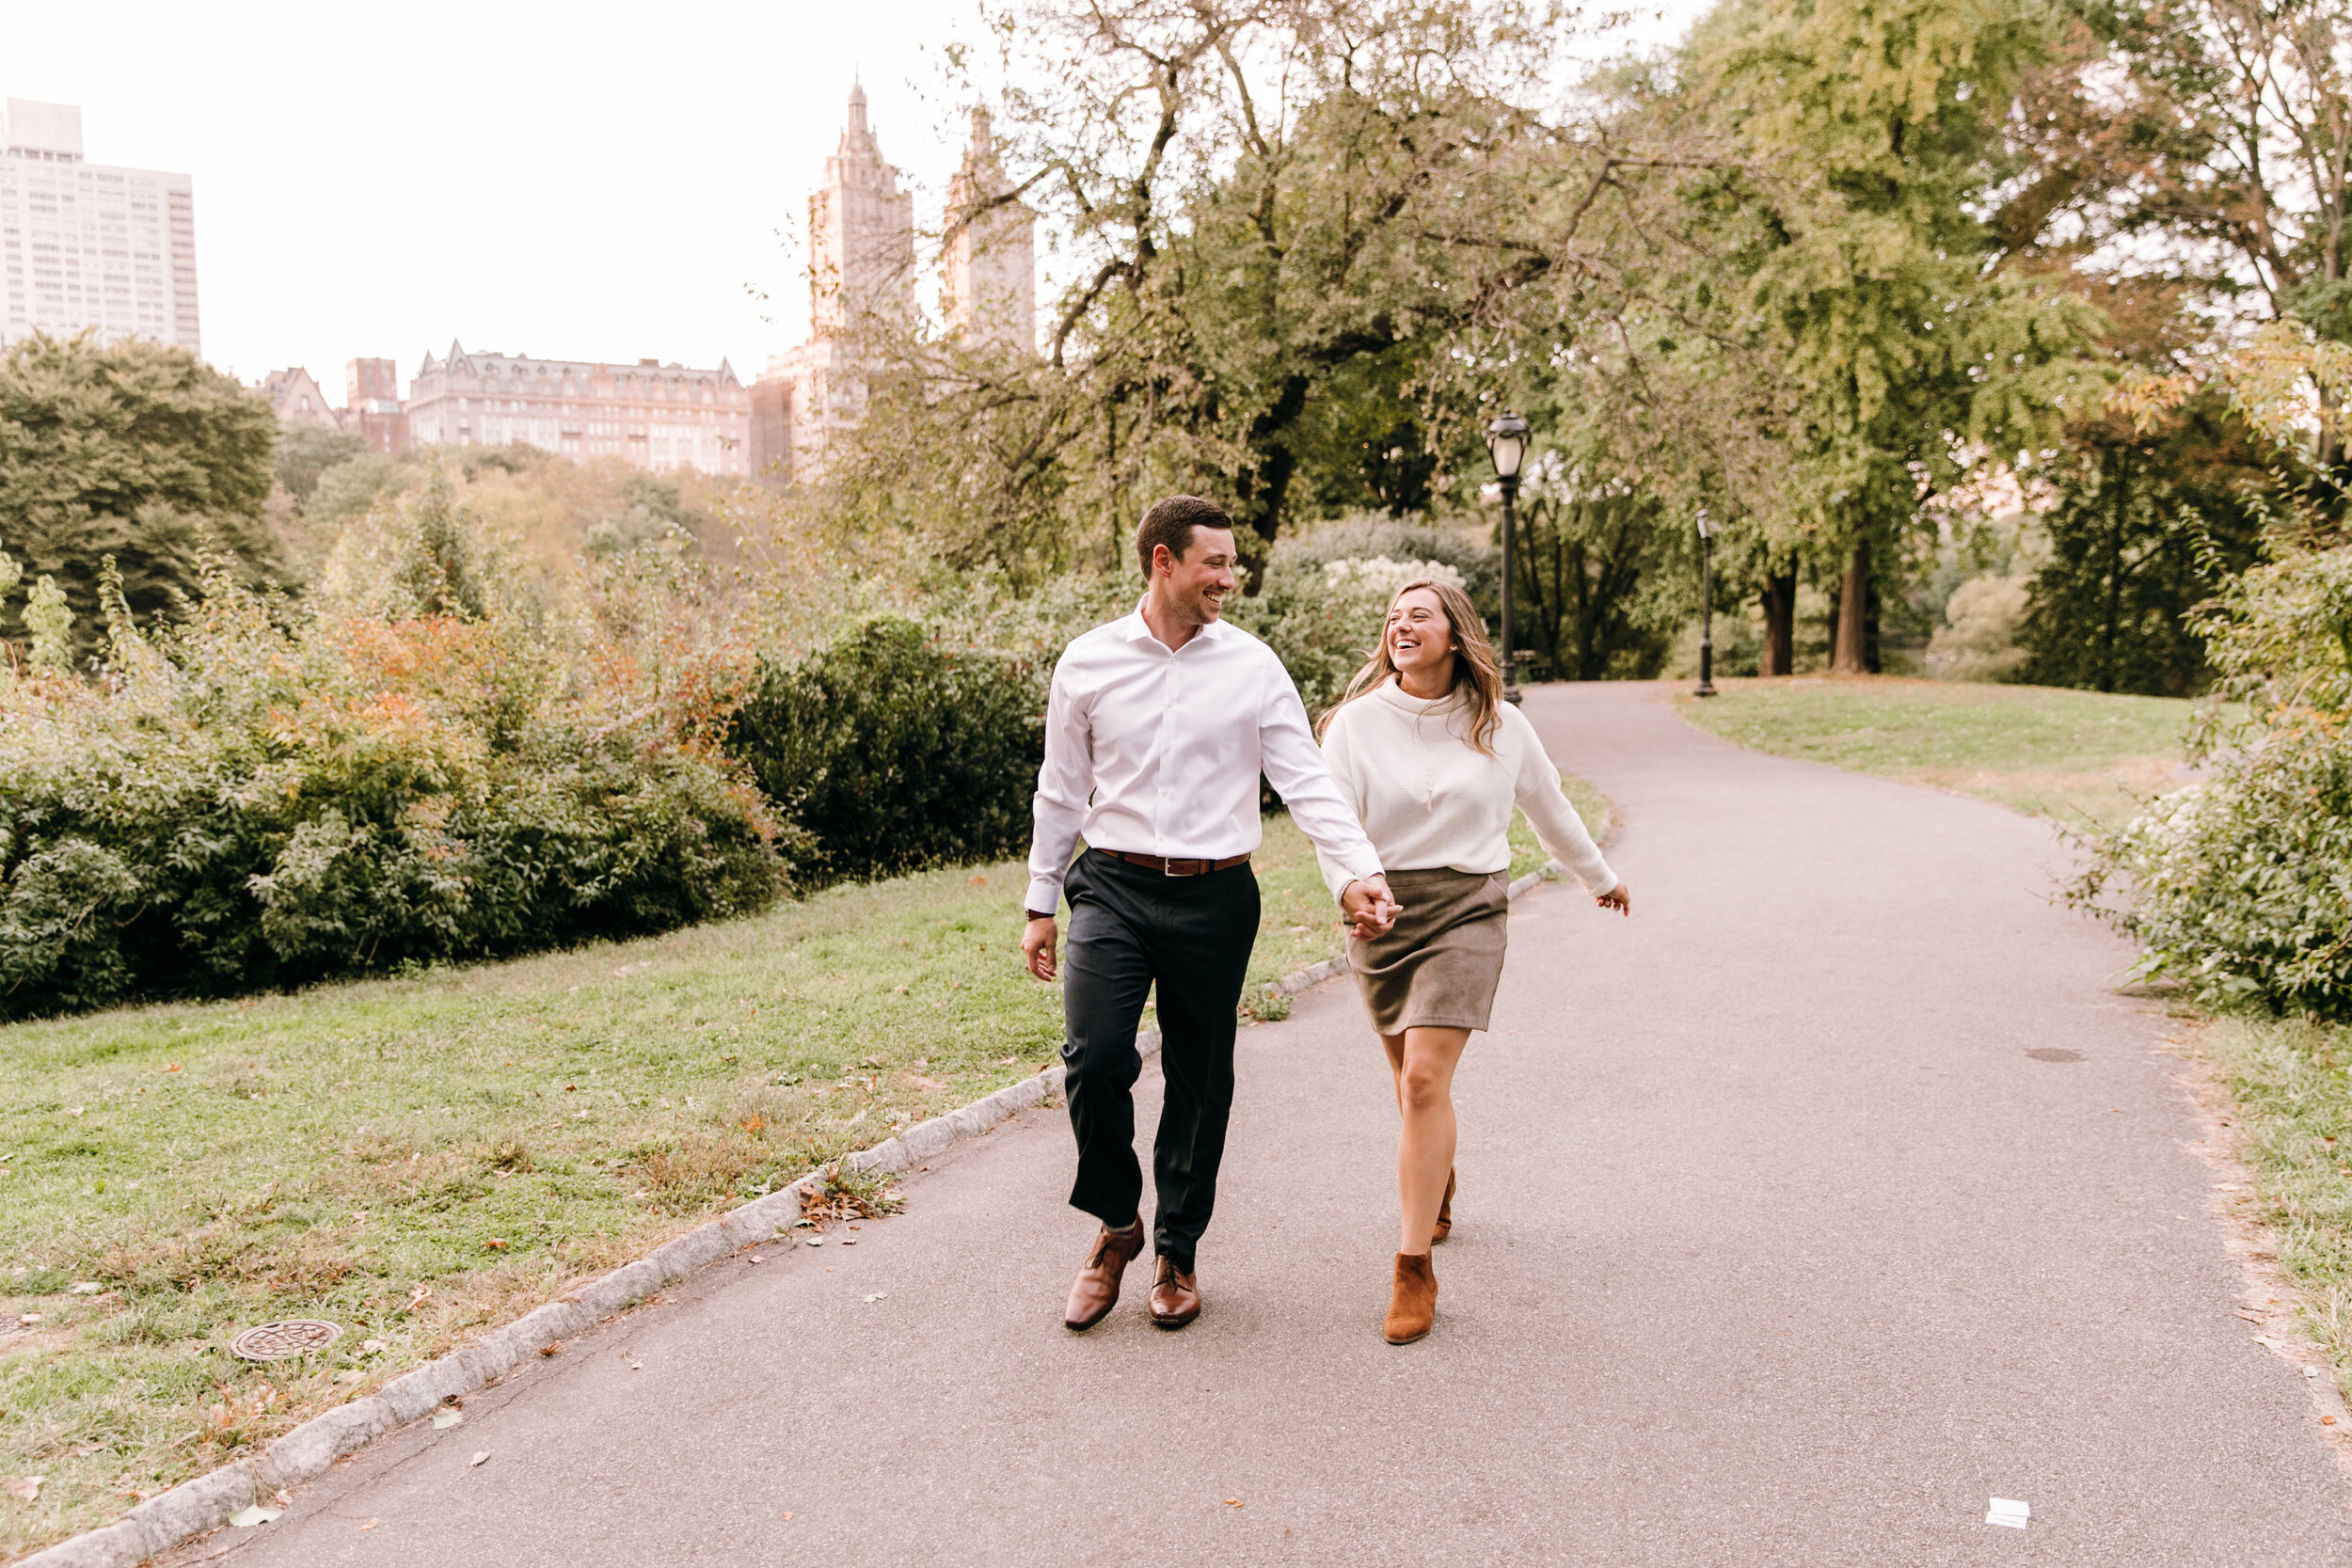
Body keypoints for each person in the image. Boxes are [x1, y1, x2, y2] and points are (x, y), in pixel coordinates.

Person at [1021, 496, 1400, 1333]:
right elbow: (1060, 788)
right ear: (1164, 562)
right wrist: (1040, 900)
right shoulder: (1087, 662)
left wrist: (1356, 873)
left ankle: (1177, 1249)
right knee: (1094, 1058)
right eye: (1216, 563)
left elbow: (1305, 779)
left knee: (1200, 1074)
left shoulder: (1253, 666)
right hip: (1112, 885)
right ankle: (1118, 1225)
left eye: (1234, 563)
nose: (1232, 578)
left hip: (1216, 894)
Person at [1314, 578, 1630, 1345]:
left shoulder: (1501, 723)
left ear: (1455, 633)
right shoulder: (1353, 725)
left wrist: (1600, 877)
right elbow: (1330, 823)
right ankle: (1437, 1170)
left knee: (1423, 1077)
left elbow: (1548, 806)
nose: (1402, 625)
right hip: (1383, 908)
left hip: (1468, 906)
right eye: (1393, 616)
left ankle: (1412, 1264)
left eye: (1419, 614)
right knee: (1408, 1081)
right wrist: (1354, 888)